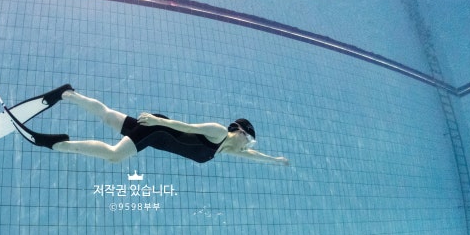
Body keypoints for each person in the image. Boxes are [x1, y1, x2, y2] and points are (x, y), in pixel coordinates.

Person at [14, 85, 290, 165]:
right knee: (115, 156)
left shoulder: (225, 149)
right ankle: (57, 144)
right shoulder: (219, 132)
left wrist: (274, 160)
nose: (248, 146)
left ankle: (68, 94)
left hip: (156, 133)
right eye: (248, 140)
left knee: (108, 116)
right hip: (156, 129)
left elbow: (251, 156)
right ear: (238, 131)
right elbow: (187, 128)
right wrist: (158, 120)